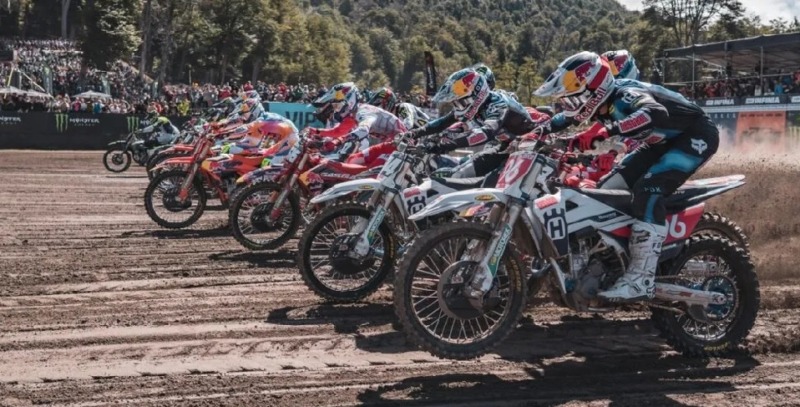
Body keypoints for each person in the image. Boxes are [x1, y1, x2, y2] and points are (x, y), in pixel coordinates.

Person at [533, 51, 719, 302]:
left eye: (574, 95)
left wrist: (607, 131)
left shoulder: (624, 94)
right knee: (605, 191)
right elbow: (562, 120)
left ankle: (641, 278)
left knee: (648, 189)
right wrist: (534, 132)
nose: (569, 102)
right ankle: (612, 263)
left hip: (695, 136)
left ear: (593, 88)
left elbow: (654, 113)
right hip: (659, 143)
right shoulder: (599, 101)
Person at [403, 68, 548, 180]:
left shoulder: (497, 103)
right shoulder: (476, 106)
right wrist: (414, 133)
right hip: (507, 147)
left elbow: (486, 133)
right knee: (458, 174)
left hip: (532, 149)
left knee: (489, 184)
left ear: (476, 92)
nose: (458, 106)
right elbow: (441, 123)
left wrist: (445, 145)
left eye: (460, 101)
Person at [302, 82, 406, 193]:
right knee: (352, 160)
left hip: (401, 144)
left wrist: (342, 141)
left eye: (338, 106)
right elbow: (338, 131)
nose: (337, 110)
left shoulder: (363, 111)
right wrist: (317, 131)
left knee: (371, 172)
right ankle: (352, 193)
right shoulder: (353, 114)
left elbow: (363, 130)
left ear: (349, 101)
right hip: (389, 143)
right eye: (335, 107)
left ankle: (363, 196)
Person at [571, 50, 641, 152]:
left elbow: (638, 129)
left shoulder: (633, 97)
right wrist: (589, 133)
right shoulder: (614, 97)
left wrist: (614, 153)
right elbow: (610, 120)